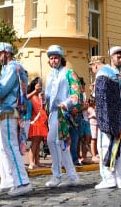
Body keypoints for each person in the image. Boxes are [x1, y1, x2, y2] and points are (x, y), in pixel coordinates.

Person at [0, 42, 33, 197]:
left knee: (11, 147)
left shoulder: (12, 67)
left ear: (7, 53)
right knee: (3, 148)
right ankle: (11, 180)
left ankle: (22, 182)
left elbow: (0, 90)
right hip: (7, 112)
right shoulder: (9, 68)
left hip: (10, 111)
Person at [43, 45, 82, 187]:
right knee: (62, 144)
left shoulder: (68, 73)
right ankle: (72, 176)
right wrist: (42, 96)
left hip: (62, 112)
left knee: (51, 141)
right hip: (52, 113)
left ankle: (57, 175)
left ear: (61, 58)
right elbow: (48, 96)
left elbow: (76, 93)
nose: (53, 61)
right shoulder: (49, 75)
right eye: (51, 58)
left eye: (56, 58)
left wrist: (66, 104)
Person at [92, 48, 121, 190]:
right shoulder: (108, 74)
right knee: (111, 148)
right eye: (118, 57)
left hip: (116, 118)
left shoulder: (110, 74)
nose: (120, 59)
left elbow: (104, 99)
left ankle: (111, 178)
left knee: (110, 149)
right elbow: (103, 99)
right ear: (111, 57)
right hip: (112, 117)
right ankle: (116, 178)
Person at [27, 77, 48, 169]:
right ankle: (31, 162)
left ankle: (37, 161)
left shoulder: (39, 97)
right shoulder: (32, 96)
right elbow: (25, 98)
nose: (40, 87)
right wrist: (35, 92)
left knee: (38, 143)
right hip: (34, 122)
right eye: (38, 85)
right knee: (34, 143)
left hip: (41, 122)